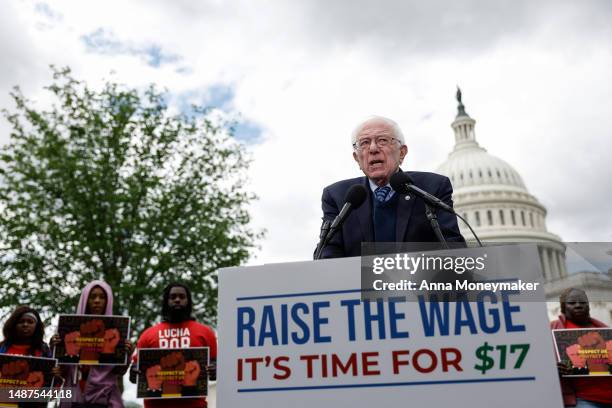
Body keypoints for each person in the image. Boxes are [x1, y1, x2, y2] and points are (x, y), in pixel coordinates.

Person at [317, 116, 464, 258]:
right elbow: (328, 255)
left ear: (402, 153)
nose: (373, 149)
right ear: (357, 159)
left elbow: (453, 248)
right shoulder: (337, 196)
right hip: (357, 282)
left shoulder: (432, 187)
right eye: (364, 143)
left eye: (382, 140)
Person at [130, 282, 217, 408]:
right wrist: (134, 373)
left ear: (189, 301)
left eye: (182, 297)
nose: (177, 300)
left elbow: (216, 365)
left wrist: (215, 369)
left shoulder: (206, 333)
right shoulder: (147, 335)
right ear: (166, 301)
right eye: (173, 297)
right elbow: (135, 371)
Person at [51, 280, 134, 408]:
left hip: (104, 400)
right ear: (85, 300)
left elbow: (119, 370)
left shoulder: (115, 333)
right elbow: (62, 371)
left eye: (102, 297)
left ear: (108, 301)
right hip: (73, 399)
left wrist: (127, 354)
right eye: (92, 296)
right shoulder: (69, 331)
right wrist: (56, 348)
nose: (97, 300)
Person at [550, 288, 612, 407]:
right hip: (583, 398)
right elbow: (537, 360)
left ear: (588, 306)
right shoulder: (553, 328)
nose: (578, 305)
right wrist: (552, 367)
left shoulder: (604, 329)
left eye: (583, 302)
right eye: (572, 303)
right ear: (563, 306)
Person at [0, 306, 54, 408]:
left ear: (36, 326)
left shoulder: (44, 350)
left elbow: (51, 387)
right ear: (14, 325)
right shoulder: (2, 347)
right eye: (21, 321)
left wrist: (55, 373)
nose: (25, 325)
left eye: (30, 322)